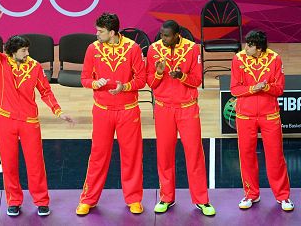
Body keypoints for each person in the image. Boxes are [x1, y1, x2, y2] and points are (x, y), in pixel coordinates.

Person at [0, 9, 75, 217]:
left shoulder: (34, 67)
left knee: (35, 164)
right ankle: (13, 201)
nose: (27, 54)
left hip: (29, 121)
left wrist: (58, 111)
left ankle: (41, 200)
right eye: (23, 51)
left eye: (27, 50)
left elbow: (45, 91)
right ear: (12, 52)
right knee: (9, 163)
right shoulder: (0, 62)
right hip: (5, 120)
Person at [76, 12, 146, 216]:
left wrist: (125, 87)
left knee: (131, 156)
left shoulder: (132, 48)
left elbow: (142, 80)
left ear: (113, 32)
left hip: (128, 111)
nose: (96, 34)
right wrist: (94, 83)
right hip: (102, 111)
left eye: (100, 31)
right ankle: (88, 199)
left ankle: (133, 198)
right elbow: (84, 78)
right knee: (98, 156)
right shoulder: (92, 49)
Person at [146, 20, 215, 217]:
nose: (162, 38)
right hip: (163, 109)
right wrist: (159, 73)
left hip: (187, 109)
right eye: (161, 34)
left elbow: (197, 80)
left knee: (194, 154)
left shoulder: (193, 49)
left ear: (177, 35)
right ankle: (166, 197)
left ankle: (201, 200)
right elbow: (150, 81)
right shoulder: (153, 50)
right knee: (165, 154)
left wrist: (182, 76)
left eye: (166, 35)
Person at [231, 30, 294, 212]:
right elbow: (235, 89)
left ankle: (283, 196)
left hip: (269, 115)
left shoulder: (275, 59)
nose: (245, 48)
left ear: (259, 49)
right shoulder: (238, 59)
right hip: (245, 116)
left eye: (249, 45)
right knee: (246, 156)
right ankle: (251, 195)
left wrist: (266, 87)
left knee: (275, 157)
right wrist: (253, 88)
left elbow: (279, 89)